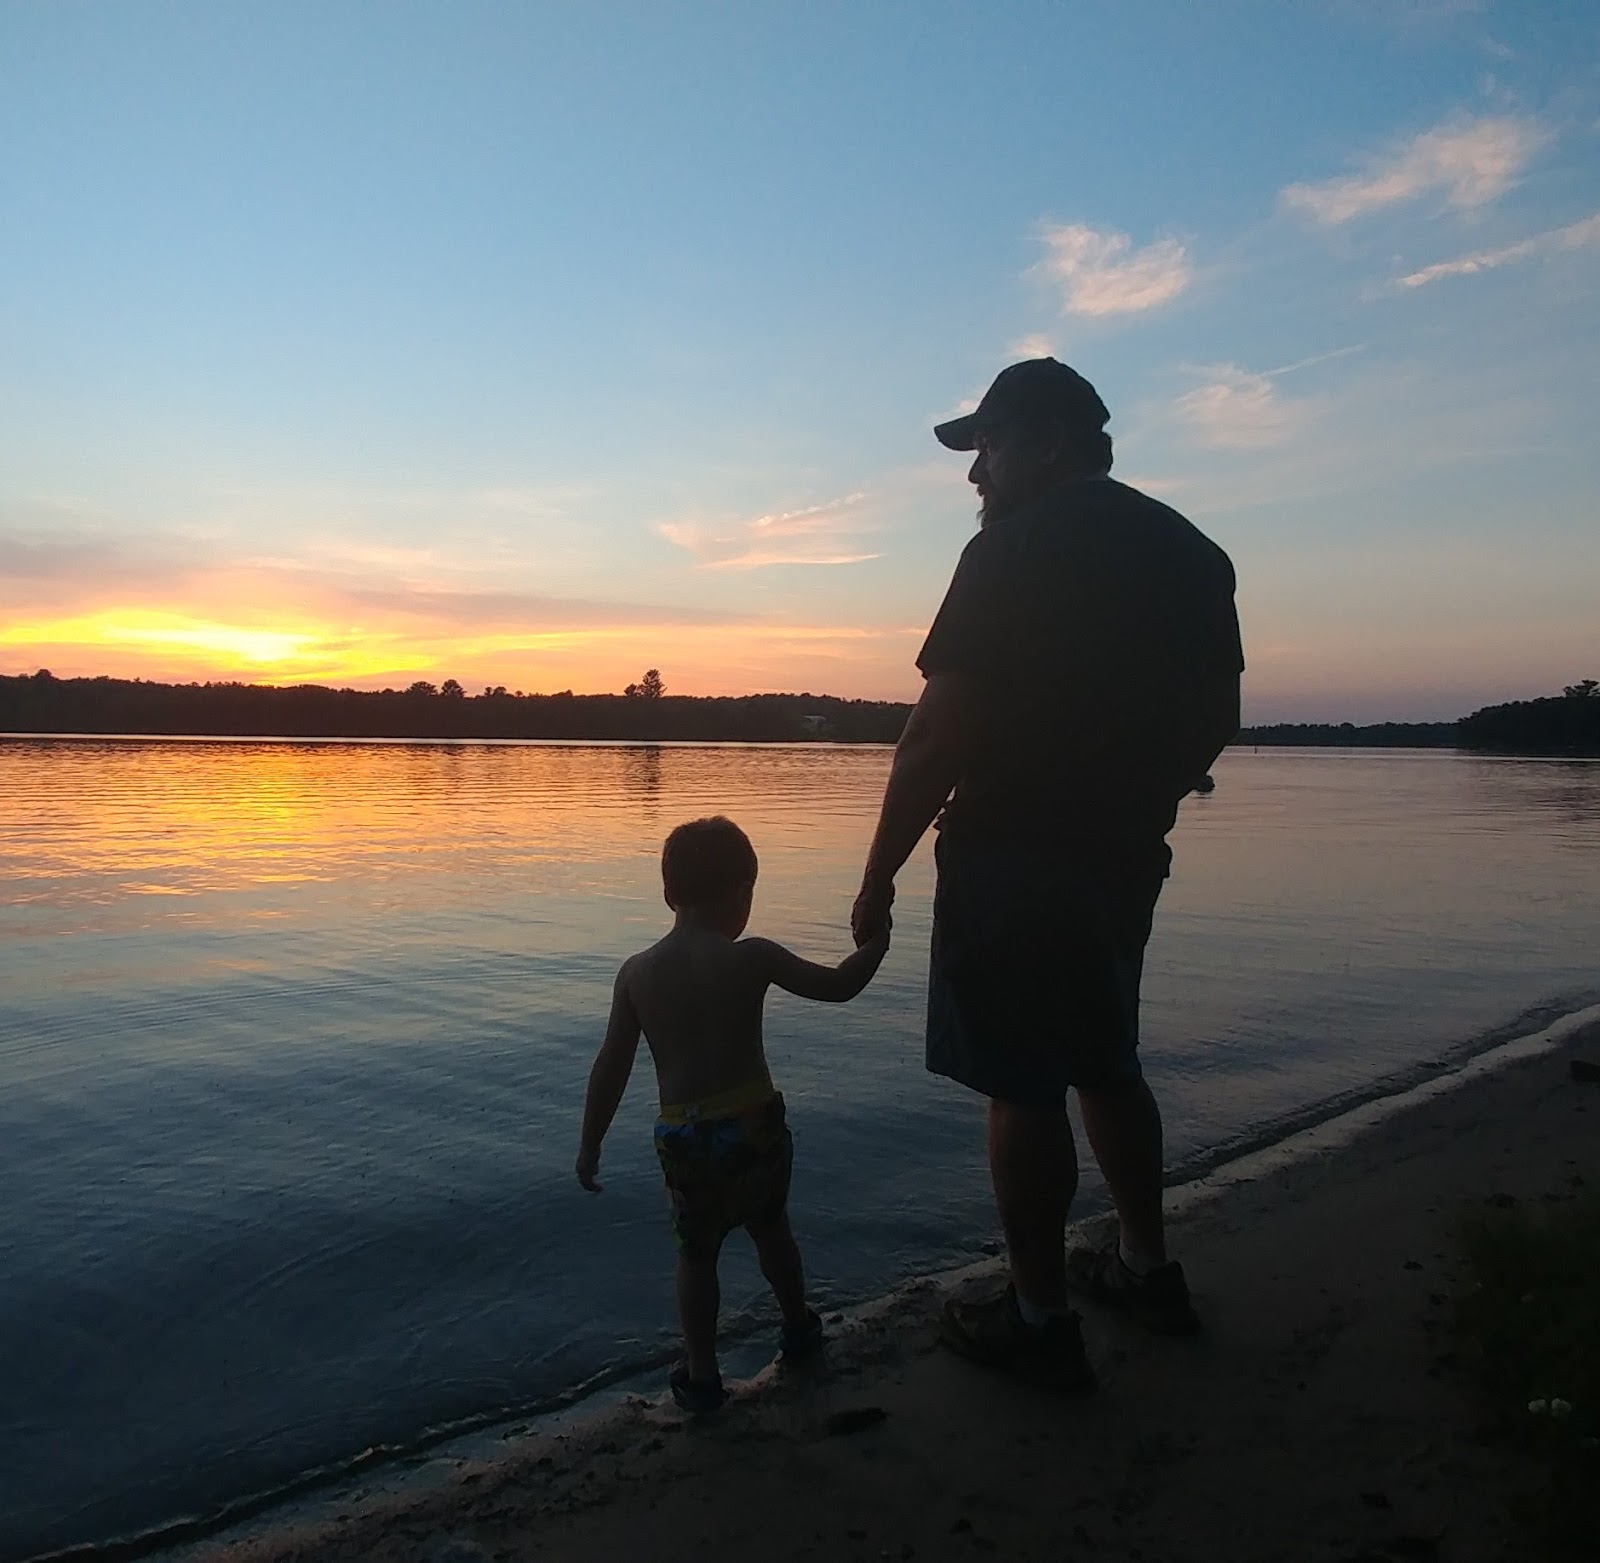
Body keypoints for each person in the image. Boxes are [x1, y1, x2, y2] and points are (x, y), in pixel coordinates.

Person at [851, 358, 1243, 1390]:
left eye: (988, 446)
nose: (974, 473)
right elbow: (1219, 717)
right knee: (1106, 1056)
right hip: (1123, 852)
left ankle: (1038, 1318)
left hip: (1011, 850)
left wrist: (877, 871)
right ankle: (1144, 1269)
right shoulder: (1193, 554)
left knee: (1022, 1086)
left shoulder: (1010, 554)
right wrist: (1148, 794)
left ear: (1050, 444)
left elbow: (938, 733)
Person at [578, 815, 891, 1412]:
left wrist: (589, 1143)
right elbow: (839, 986)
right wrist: (877, 942)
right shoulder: (752, 958)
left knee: (696, 1256)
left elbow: (610, 1067)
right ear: (742, 895)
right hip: (752, 1123)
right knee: (772, 1229)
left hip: (685, 1134)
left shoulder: (636, 975)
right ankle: (798, 1325)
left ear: (669, 894)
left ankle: (701, 1373)